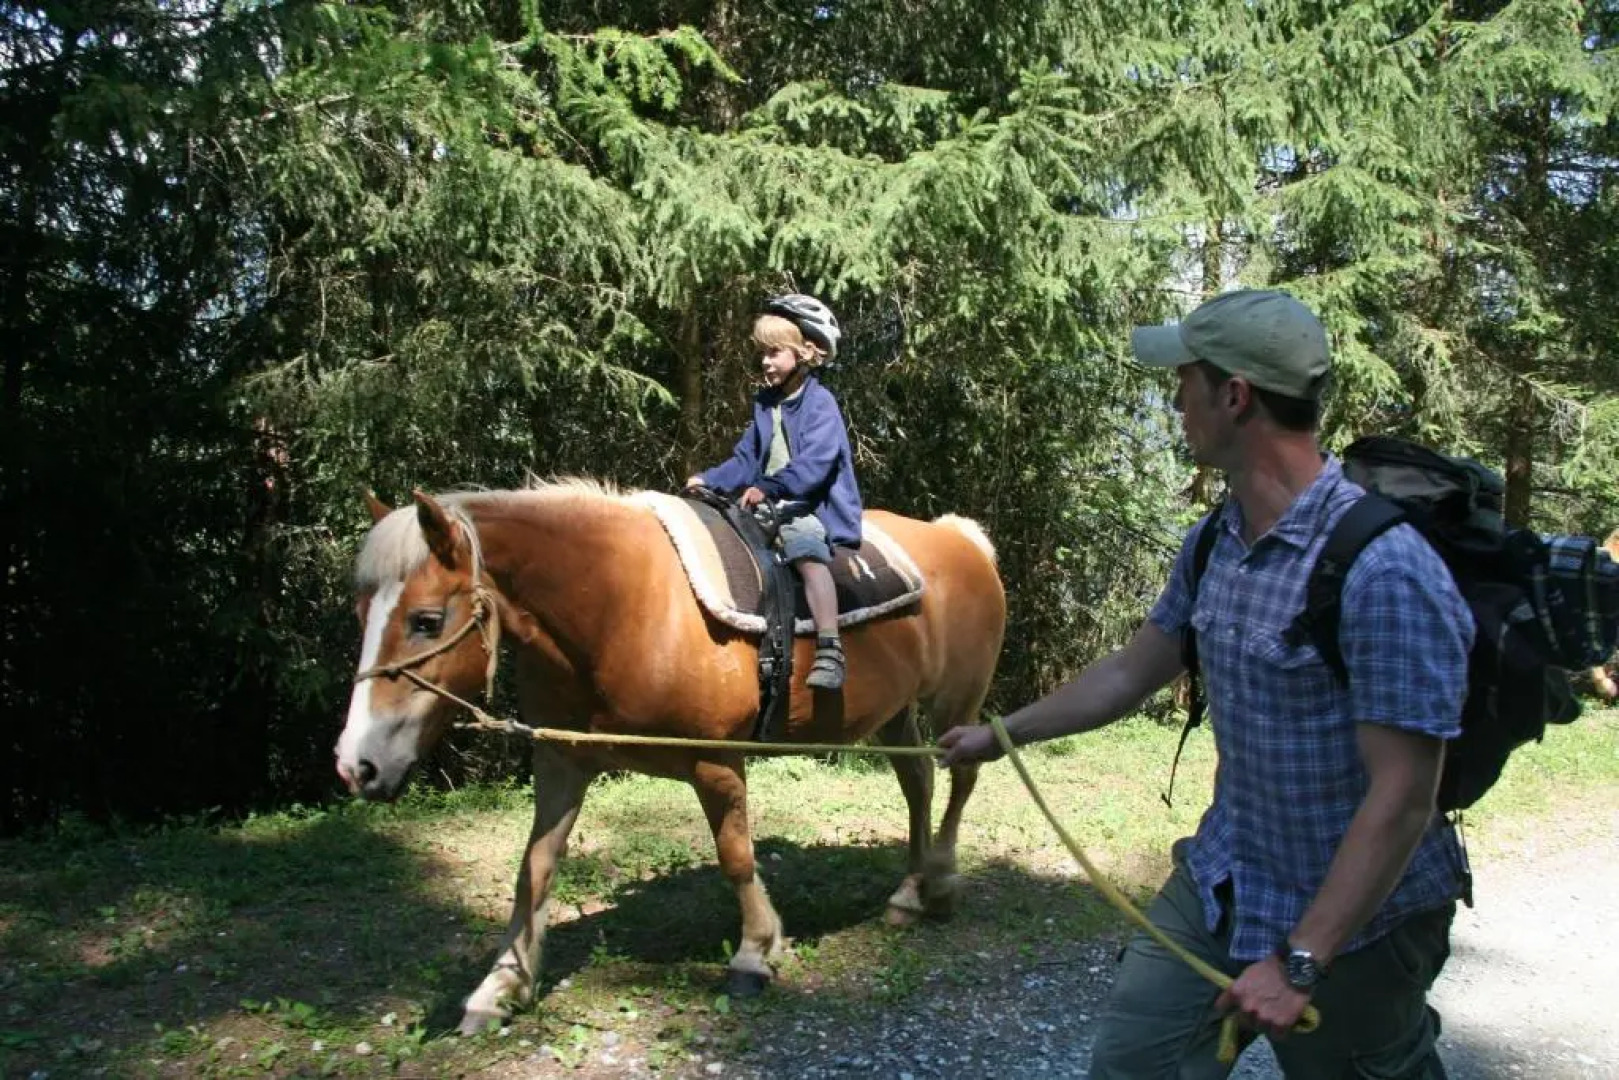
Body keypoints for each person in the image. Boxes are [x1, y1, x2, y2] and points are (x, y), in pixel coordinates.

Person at [940, 289, 1472, 1079]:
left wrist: (1299, 961)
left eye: (1184, 382)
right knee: (1130, 1065)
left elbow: (1401, 797)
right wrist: (1001, 732)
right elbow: (1130, 671)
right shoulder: (1214, 541)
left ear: (1234, 396)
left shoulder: (1383, 569)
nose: (1175, 401)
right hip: (1226, 878)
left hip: (1362, 922)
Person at [685, 294, 863, 691]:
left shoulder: (821, 404)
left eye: (774, 352)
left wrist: (768, 488)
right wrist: (710, 479)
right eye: (762, 353)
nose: (765, 362)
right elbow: (746, 459)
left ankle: (830, 648)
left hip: (807, 506)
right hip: (767, 500)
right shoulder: (766, 403)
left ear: (807, 352)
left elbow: (814, 468)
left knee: (806, 553)